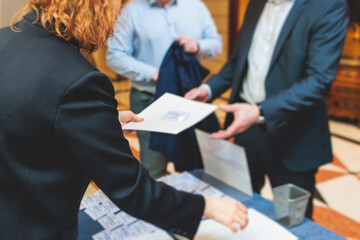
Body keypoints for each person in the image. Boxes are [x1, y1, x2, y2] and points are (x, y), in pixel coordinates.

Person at [0, 1, 248, 239]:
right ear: (98, 7)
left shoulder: (5, 37)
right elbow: (130, 187)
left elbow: (23, 113)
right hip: (33, 227)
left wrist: (91, 122)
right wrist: (206, 206)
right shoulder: (78, 79)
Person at [185, 0, 349, 218]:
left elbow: (318, 80)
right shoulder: (256, 4)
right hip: (245, 129)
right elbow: (238, 61)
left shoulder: (327, 6)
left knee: (292, 220)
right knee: (240, 206)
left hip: (294, 136)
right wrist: (208, 89)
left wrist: (260, 111)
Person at [107, 0, 222, 179]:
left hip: (189, 100)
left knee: (194, 163)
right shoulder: (132, 10)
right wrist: (156, 74)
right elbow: (115, 55)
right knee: (154, 168)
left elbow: (216, 45)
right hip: (148, 100)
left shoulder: (195, 6)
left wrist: (198, 46)